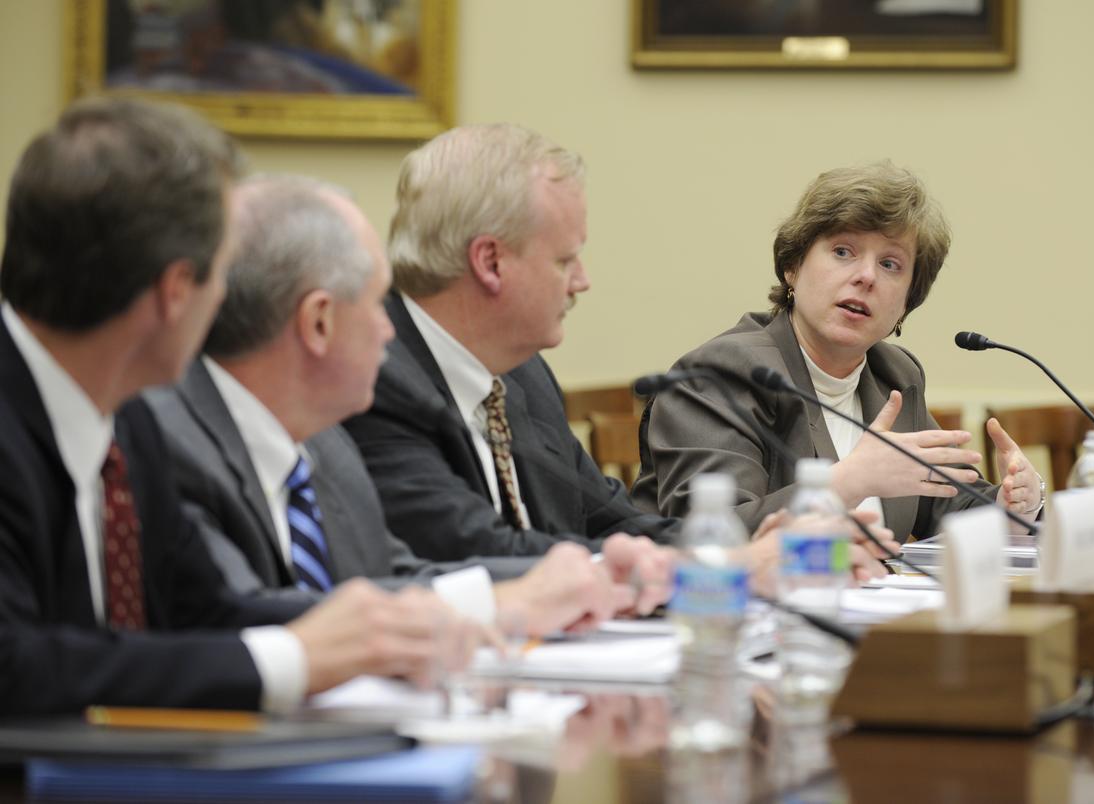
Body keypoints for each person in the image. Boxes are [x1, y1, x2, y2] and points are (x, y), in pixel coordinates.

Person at [0, 97, 479, 715]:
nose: (229, 299)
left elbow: (202, 608)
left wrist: (372, 631)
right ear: (176, 292)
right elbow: (15, 668)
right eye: (223, 272)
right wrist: (295, 659)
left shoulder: (128, 420)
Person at [145, 174, 670, 635]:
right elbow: (244, 618)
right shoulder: (163, 443)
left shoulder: (327, 447)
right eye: (375, 303)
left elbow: (391, 577)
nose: (388, 329)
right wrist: (499, 603)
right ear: (318, 323)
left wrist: (586, 579)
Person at [634, 162, 1043, 543]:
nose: (866, 277)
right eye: (843, 251)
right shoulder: (722, 375)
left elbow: (943, 498)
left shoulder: (894, 377)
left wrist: (1010, 506)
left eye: (890, 264)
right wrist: (847, 483)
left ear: (906, 304)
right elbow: (709, 537)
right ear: (793, 267)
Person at [342, 123, 682, 561]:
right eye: (565, 260)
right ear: (490, 261)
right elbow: (477, 550)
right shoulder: (377, 380)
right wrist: (638, 569)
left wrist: (728, 556)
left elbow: (613, 520)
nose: (582, 281)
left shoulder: (523, 372)